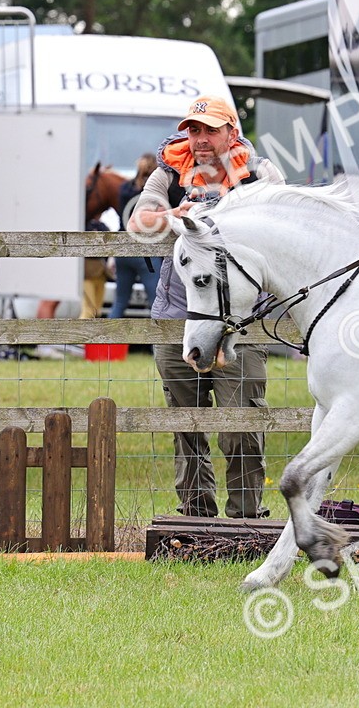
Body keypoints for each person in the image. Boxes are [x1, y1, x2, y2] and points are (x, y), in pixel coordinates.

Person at [127, 95, 285, 519]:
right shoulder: (169, 171)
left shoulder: (260, 171)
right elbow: (138, 220)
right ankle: (196, 517)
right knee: (186, 425)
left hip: (242, 320)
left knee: (243, 425)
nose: (198, 139)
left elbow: (281, 222)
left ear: (232, 131)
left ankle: (247, 519)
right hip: (179, 316)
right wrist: (173, 216)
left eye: (209, 129)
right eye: (192, 130)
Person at [109, 152, 162, 318]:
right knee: (155, 302)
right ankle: (158, 344)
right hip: (146, 252)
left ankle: (109, 343)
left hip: (123, 249)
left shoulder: (124, 188)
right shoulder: (155, 192)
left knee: (119, 302)